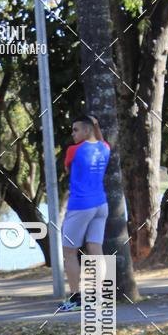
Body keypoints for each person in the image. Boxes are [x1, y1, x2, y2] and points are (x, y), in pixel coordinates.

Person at [58, 114, 110, 312]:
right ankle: (99, 297)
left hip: (80, 205)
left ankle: (75, 298)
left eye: (76, 129)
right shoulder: (105, 148)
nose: (72, 134)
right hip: (101, 205)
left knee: (69, 252)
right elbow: (101, 139)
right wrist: (95, 124)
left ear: (87, 130)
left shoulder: (73, 151)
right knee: (96, 250)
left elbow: (66, 169)